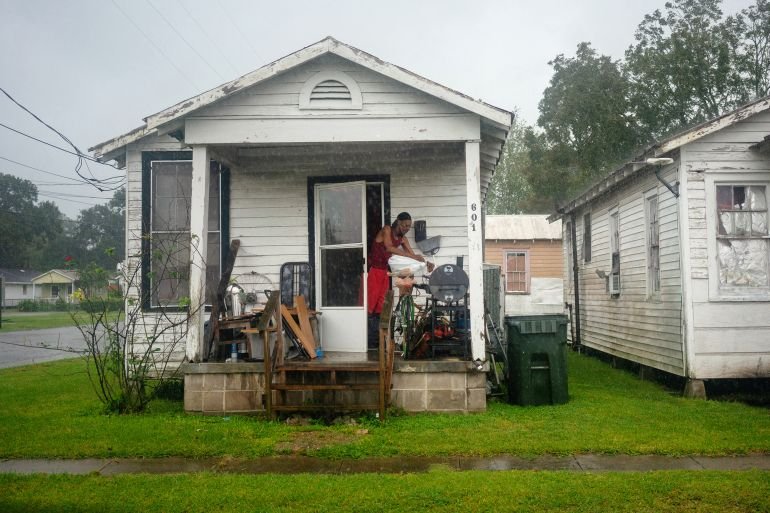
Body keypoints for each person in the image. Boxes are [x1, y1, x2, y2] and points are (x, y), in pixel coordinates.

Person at [367, 212, 432, 348]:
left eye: (408, 226)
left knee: (381, 307)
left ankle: (377, 341)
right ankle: (368, 339)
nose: (406, 228)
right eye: (404, 225)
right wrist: (413, 257)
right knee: (370, 306)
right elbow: (389, 247)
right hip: (373, 271)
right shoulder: (387, 230)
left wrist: (426, 263)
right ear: (398, 221)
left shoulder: (403, 239)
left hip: (385, 272)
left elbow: (413, 256)